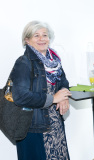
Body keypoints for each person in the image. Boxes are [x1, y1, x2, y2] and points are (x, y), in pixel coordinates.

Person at [11, 21, 72, 160]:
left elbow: (64, 81)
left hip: (55, 124)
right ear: (27, 40)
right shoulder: (24, 62)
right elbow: (20, 96)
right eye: (36, 35)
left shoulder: (54, 61)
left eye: (45, 35)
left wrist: (64, 96)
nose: (41, 39)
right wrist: (53, 99)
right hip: (34, 127)